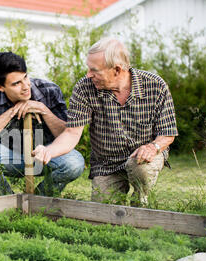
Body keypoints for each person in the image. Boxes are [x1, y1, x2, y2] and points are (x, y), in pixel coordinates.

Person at [32, 38, 178, 206]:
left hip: (142, 158)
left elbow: (167, 133)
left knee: (140, 169)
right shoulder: (84, 88)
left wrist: (153, 147)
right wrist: (49, 151)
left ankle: (141, 202)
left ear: (116, 70)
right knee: (104, 210)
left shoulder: (155, 85)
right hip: (106, 163)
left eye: (94, 70)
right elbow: (72, 133)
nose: (88, 74)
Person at [0, 52, 85, 196]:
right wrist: (12, 112)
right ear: (0, 87)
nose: (25, 86)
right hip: (10, 156)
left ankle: (39, 200)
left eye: (25, 77)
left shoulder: (49, 89)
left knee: (75, 163)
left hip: (45, 155)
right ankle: (8, 202)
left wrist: (43, 109)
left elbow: (67, 136)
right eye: (16, 83)